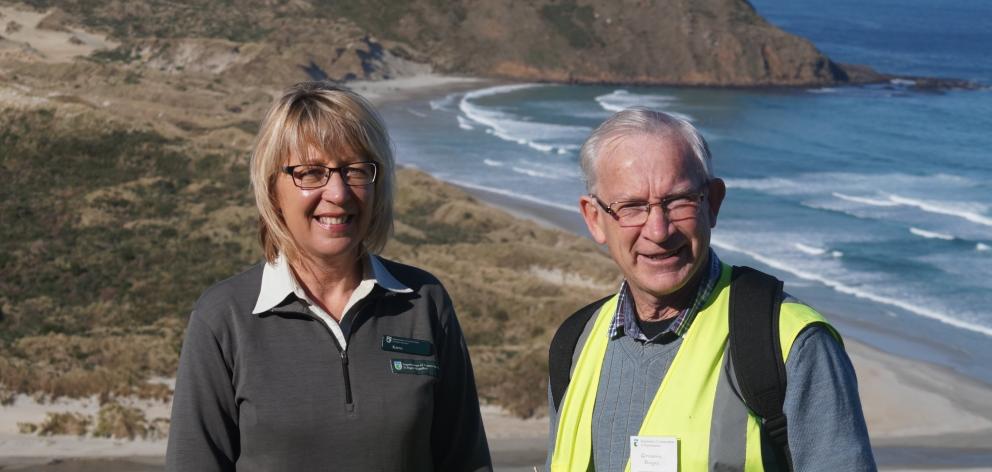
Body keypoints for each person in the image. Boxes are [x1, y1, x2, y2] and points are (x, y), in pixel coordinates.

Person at [166, 81, 492, 471]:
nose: (338, 193)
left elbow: (466, 462)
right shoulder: (224, 316)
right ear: (273, 188)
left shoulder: (423, 301)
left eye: (355, 170)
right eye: (311, 173)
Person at [546, 108, 875, 471]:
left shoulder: (790, 344)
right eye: (633, 207)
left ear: (713, 202)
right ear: (594, 218)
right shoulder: (574, 345)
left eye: (678, 201)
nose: (659, 230)